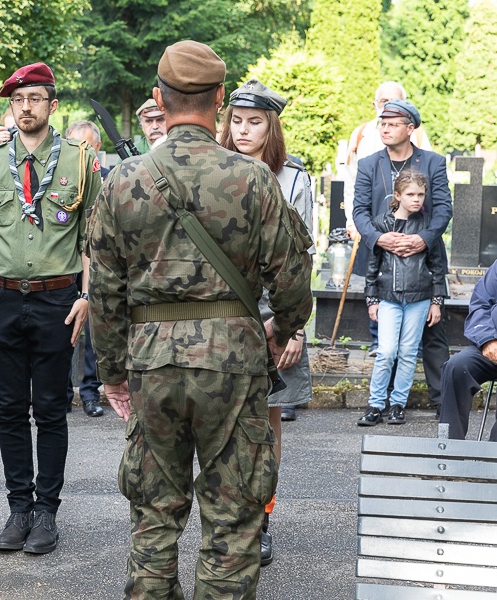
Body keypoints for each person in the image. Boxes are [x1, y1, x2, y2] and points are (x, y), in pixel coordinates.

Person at [88, 41, 313, 599]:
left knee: (154, 516)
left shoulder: (123, 180)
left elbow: (105, 291)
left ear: (159, 101)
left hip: (152, 363)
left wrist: (113, 372)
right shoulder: (255, 179)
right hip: (233, 363)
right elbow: (292, 279)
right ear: (219, 98)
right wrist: (281, 329)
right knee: (234, 517)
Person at [0, 62, 101, 555]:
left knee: (49, 410)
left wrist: (87, 296)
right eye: (18, 100)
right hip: (1, 297)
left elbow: (93, 238)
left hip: (57, 299)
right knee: (8, 411)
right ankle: (18, 509)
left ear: (52, 106)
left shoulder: (80, 162)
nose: (25, 108)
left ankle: (47, 511)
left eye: (35, 99)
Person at [219, 78, 316, 566]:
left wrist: (292, 327)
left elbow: (302, 258)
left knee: (267, 428)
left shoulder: (294, 178)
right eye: (235, 120)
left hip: (275, 316)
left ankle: (262, 519)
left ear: (271, 126)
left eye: (254, 122)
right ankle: (226, 519)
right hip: (224, 314)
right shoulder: (215, 169)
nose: (242, 130)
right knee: (221, 426)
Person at [352, 99, 452, 414]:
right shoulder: (369, 164)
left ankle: (441, 401)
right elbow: (359, 211)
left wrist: (423, 239)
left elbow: (443, 209)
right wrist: (378, 238)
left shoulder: (432, 162)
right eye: (382, 123)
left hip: (424, 261)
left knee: (432, 336)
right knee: (387, 342)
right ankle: (385, 403)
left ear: (410, 128)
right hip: (384, 263)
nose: (385, 128)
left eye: (393, 123)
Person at [344, 81, 433, 357]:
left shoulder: (417, 136)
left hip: (412, 222)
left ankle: (410, 343)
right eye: (383, 101)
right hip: (375, 224)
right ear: (374, 105)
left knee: (411, 276)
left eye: (394, 101)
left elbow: (427, 178)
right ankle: (377, 341)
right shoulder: (361, 134)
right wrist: (352, 220)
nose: (388, 106)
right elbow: (350, 180)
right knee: (378, 275)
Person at [359, 170, 445, 426]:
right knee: (386, 351)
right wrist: (372, 299)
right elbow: (372, 265)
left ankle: (398, 404)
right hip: (388, 297)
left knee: (408, 352)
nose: (416, 199)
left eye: (421, 194)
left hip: (419, 298)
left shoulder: (428, 226)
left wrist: (437, 301)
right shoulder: (381, 224)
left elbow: (437, 265)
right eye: (410, 194)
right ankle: (376, 404)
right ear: (397, 195)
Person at [64, 120, 106, 417]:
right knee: (62, 329)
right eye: (74, 147)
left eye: (86, 147)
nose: (80, 154)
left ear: (97, 149)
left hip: (98, 265)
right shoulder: (57, 179)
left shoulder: (110, 181)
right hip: (64, 265)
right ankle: (63, 392)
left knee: (92, 332)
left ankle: (90, 392)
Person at [438, 259, 497, 442]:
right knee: (457, 367)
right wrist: (488, 340)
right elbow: (481, 304)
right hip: (493, 343)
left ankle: (493, 456)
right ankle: (449, 450)